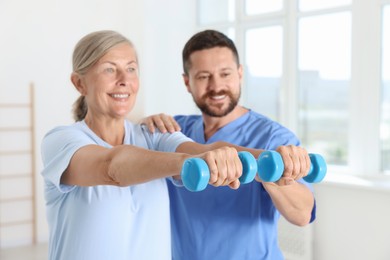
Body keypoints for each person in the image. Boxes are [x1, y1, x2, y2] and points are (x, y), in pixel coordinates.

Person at [40, 30, 311, 260]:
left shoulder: (156, 135)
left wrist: (272, 158)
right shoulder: (62, 140)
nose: (123, 79)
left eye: (131, 69)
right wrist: (186, 165)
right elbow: (112, 165)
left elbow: (205, 149)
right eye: (109, 69)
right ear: (79, 83)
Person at [142, 29, 316, 260]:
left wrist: (269, 172)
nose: (217, 86)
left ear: (240, 74)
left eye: (225, 74)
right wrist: (144, 123)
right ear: (187, 82)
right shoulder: (175, 131)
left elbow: (302, 214)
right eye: (204, 76)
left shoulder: (273, 138)